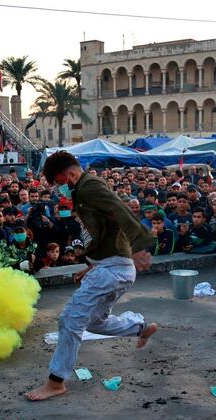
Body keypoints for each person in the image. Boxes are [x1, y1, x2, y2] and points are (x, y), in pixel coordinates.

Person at [26, 151, 157, 401]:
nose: (58, 190)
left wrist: (140, 245)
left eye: (58, 183)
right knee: (94, 322)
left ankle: (56, 382)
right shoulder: (82, 191)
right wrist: (91, 266)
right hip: (109, 267)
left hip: (114, 268)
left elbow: (120, 209)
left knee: (70, 320)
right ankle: (140, 328)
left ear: (70, 174)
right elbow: (103, 231)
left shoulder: (90, 186)